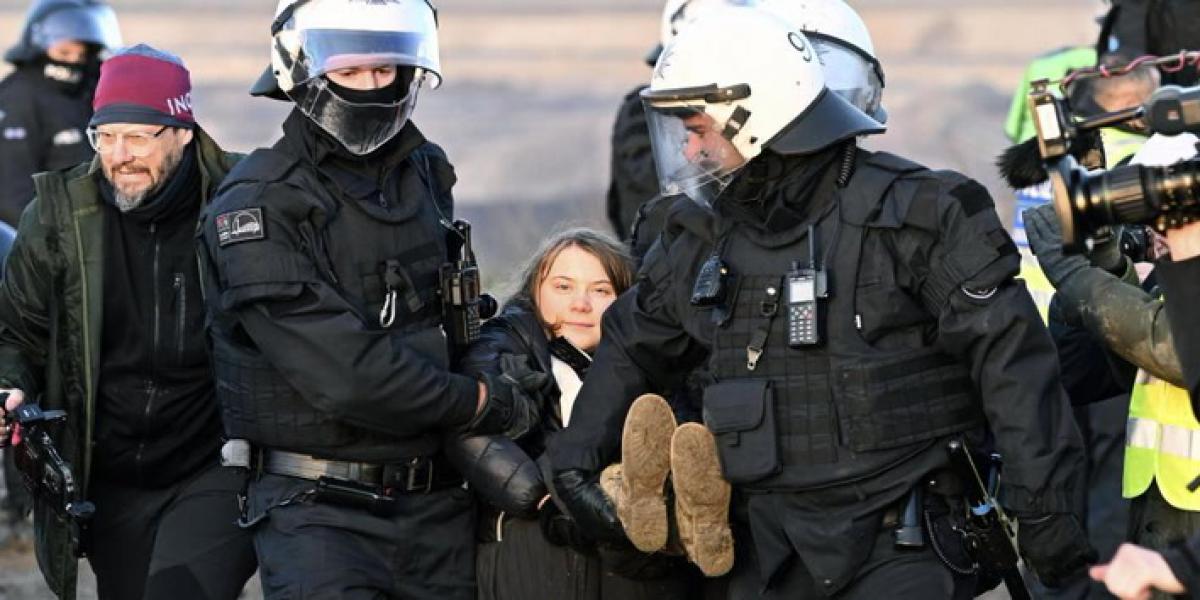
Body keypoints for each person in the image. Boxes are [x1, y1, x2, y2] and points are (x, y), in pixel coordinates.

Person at [546, 6, 1093, 599]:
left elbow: (1013, 365)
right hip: (761, 549)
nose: (691, 148)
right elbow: (632, 343)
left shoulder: (918, 211)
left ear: (758, 115)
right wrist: (574, 465)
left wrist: (1044, 511)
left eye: (700, 128)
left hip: (906, 540)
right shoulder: (697, 236)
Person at [198, 1, 539, 598]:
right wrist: (479, 400)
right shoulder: (256, 204)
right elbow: (343, 372)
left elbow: (452, 316)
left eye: (385, 70)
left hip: (438, 504)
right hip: (320, 512)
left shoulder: (425, 173)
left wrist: (500, 360)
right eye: (351, 72)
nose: (372, 88)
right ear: (301, 71)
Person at [0, 44, 256, 600]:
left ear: (183, 131)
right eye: (106, 136)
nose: (120, 155)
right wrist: (11, 387)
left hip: (216, 464)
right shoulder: (56, 217)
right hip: (109, 478)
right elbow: (17, 334)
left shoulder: (245, 201)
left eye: (139, 136)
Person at [448, 227, 703, 599]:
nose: (581, 304)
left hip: (631, 571)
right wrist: (548, 504)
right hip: (531, 557)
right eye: (563, 287)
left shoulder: (661, 369)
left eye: (601, 290)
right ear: (534, 291)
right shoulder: (497, 353)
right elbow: (470, 435)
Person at [0, 0, 122, 226]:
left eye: (81, 54)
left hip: (98, 230)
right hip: (48, 239)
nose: (74, 61)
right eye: (64, 52)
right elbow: (11, 197)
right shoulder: (19, 97)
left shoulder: (91, 91)